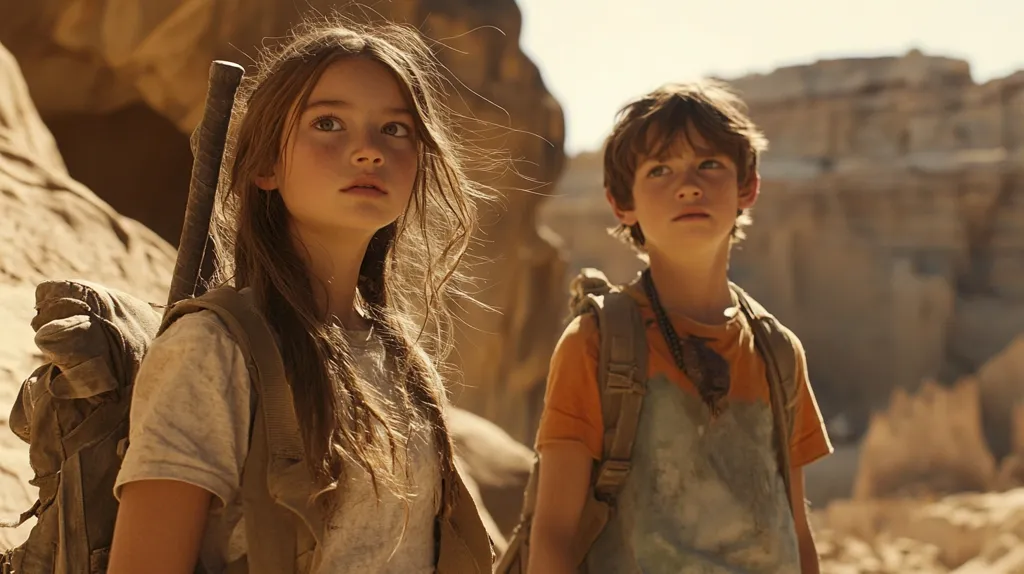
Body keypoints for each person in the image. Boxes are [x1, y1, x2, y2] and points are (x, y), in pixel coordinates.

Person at [107, 17, 490, 574]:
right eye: (329, 123)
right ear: (265, 164)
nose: (368, 151)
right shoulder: (212, 351)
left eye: (396, 129)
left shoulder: (404, 359)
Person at [527, 81, 833, 573]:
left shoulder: (778, 352)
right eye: (660, 170)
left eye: (709, 165)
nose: (688, 185)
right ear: (621, 203)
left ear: (747, 189)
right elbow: (555, 535)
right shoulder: (598, 343)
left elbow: (796, 530)